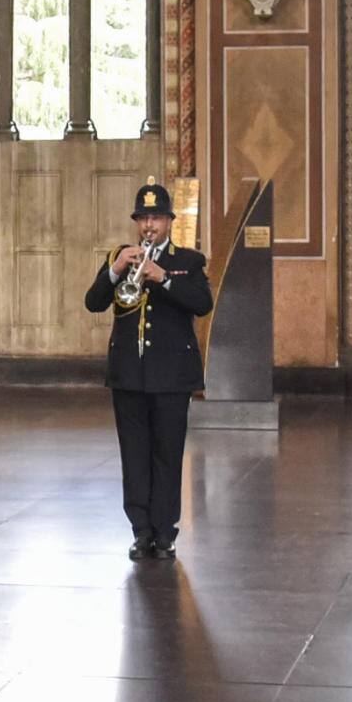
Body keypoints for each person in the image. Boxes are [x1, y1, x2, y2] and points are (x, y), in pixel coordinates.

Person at [86, 182, 213, 560]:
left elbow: (202, 303)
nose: (149, 224)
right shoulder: (119, 256)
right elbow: (93, 302)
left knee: (167, 454)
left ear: (170, 221)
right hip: (129, 374)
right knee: (135, 454)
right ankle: (141, 531)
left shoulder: (189, 261)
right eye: (143, 217)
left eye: (156, 217)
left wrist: (164, 277)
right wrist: (115, 271)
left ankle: (165, 531)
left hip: (172, 376)